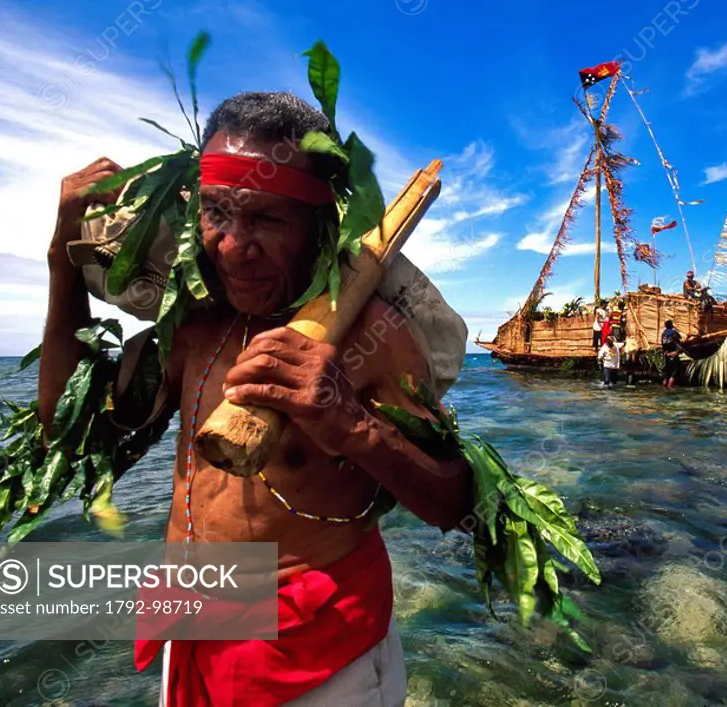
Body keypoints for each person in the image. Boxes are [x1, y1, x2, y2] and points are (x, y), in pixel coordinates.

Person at [38, 92, 474, 706]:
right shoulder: (194, 325)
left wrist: (347, 420)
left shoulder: (373, 337)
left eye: (266, 220)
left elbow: (457, 502)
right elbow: (67, 428)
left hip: (319, 659)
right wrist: (61, 259)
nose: (233, 245)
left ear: (318, 225)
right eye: (217, 213)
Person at [660, 319, 683, 388]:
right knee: (674, 373)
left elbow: (663, 345)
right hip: (673, 354)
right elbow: (680, 338)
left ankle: (664, 388)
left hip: (667, 355)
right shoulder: (674, 333)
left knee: (667, 373)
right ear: (671, 325)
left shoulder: (663, 334)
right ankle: (670, 388)